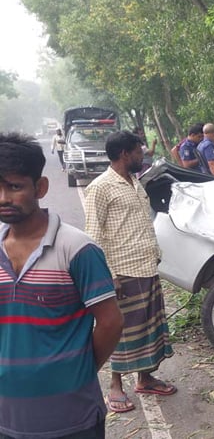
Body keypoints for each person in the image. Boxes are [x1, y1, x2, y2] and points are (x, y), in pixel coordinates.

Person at [0, 133, 123, 438]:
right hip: (6, 419)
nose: (3, 198)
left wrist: (76, 369)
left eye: (15, 187)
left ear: (39, 187)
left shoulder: (77, 249)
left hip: (73, 419)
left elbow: (110, 322)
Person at [84, 130, 176, 414]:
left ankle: (145, 378)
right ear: (125, 153)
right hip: (122, 273)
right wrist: (107, 275)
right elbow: (93, 235)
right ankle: (115, 386)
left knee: (149, 328)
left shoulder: (134, 181)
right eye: (138, 150)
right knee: (122, 332)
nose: (143, 154)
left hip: (146, 267)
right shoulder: (100, 187)